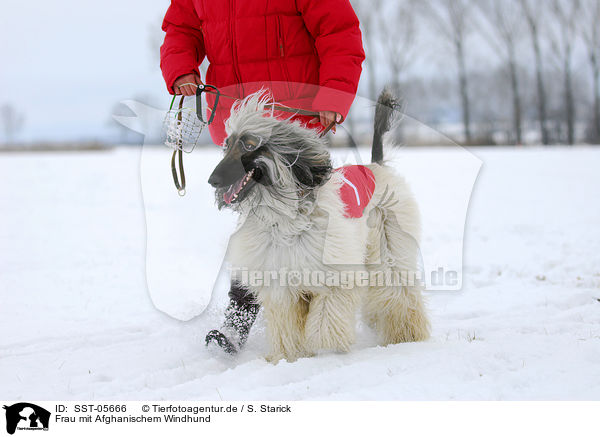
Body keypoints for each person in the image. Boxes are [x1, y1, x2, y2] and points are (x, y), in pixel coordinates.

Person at [160, 0, 365, 353]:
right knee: (256, 223)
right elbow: (181, 28)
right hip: (235, 118)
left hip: (292, 120)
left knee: (305, 217)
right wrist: (181, 69)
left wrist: (333, 94)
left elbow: (338, 31)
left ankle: (325, 296)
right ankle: (243, 315)